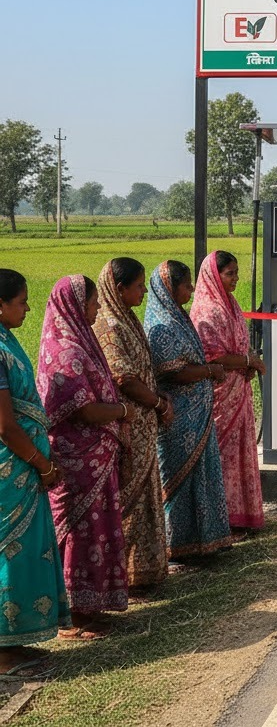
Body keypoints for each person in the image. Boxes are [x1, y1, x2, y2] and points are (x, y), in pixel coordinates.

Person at [37, 275, 130, 638]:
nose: (96, 309)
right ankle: (73, 615)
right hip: (77, 459)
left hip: (96, 459)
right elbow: (84, 411)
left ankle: (89, 606)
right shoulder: (65, 352)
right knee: (79, 531)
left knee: (97, 529)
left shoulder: (81, 343)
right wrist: (121, 412)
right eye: (92, 303)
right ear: (76, 306)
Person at [0, 269, 69, 677]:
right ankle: (4, 653)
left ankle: (16, 640)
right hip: (12, 469)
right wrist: (42, 463)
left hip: (22, 469)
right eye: (21, 300)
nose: (28, 307)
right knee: (9, 554)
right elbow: (5, 425)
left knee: (24, 554)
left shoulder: (7, 342)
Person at [92, 258, 172, 591]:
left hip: (143, 426)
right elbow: (124, 378)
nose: (142, 291)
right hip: (128, 427)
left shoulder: (127, 319)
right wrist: (157, 403)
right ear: (119, 288)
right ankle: (125, 574)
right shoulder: (110, 325)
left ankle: (147, 570)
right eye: (137, 286)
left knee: (146, 498)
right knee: (130, 499)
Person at [144, 261, 232, 561]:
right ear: (170, 288)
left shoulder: (178, 318)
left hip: (198, 416)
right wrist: (209, 371)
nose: (191, 289)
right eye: (185, 285)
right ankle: (178, 544)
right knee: (179, 479)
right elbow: (172, 373)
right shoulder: (162, 326)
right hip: (178, 418)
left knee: (202, 476)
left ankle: (204, 541)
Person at [190, 252, 265, 535]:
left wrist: (247, 361)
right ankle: (222, 521)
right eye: (230, 274)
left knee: (240, 454)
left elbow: (240, 345)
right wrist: (249, 362)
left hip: (238, 392)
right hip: (219, 396)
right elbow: (211, 358)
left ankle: (241, 515)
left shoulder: (229, 304)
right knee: (222, 457)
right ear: (213, 275)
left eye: (236, 273)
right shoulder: (207, 312)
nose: (235, 279)